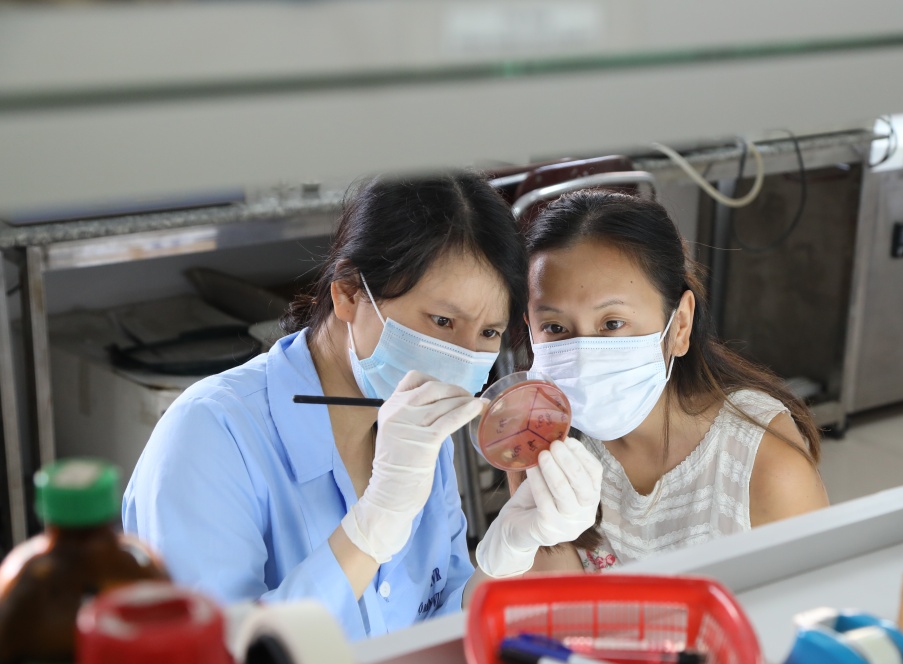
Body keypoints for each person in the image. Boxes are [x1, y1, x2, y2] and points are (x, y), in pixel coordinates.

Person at [123, 174, 599, 639]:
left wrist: (506, 557)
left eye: (489, 333)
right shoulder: (210, 434)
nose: (463, 358)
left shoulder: (417, 425)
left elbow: (440, 627)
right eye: (441, 320)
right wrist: (370, 529)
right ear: (349, 292)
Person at [478, 189, 828, 575]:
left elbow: (807, 613)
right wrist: (522, 538)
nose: (583, 353)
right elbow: (557, 614)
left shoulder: (764, 466)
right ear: (530, 330)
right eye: (556, 327)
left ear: (679, 325)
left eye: (612, 324)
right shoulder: (545, 440)